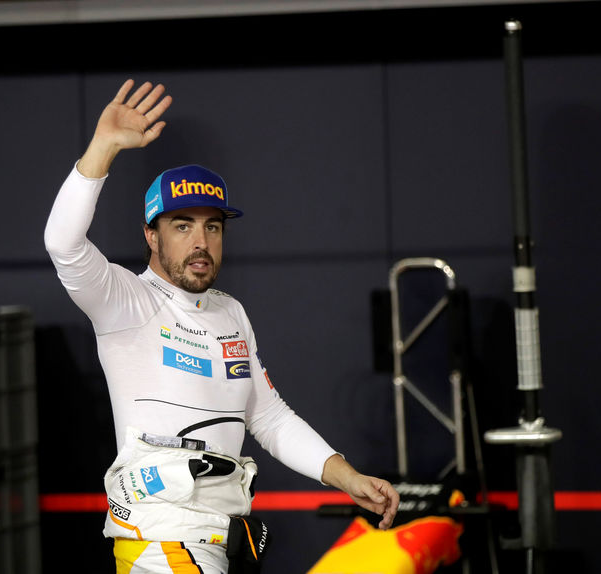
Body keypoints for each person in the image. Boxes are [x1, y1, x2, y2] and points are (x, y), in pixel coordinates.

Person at [44, 79, 399, 574]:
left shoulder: (230, 313)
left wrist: (348, 477)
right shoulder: (125, 300)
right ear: (151, 234)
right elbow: (63, 243)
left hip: (219, 544)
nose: (200, 242)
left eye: (213, 226)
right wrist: (102, 149)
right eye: (182, 224)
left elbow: (269, 418)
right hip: (160, 545)